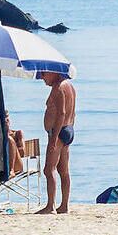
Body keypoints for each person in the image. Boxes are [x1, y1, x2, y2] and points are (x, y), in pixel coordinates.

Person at [35, 69, 75, 214]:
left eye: (43, 74)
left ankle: (50, 206)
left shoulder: (58, 88)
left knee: (49, 169)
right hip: (68, 129)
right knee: (63, 170)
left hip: (58, 132)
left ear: (53, 72)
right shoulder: (69, 86)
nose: (42, 78)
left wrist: (53, 138)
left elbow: (61, 113)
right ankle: (64, 205)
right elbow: (72, 112)